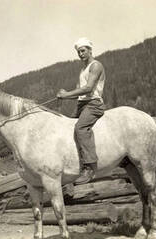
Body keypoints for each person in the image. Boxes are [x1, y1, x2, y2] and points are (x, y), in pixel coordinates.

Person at [56, 37, 106, 185]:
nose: (81, 54)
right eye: (78, 52)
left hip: (94, 104)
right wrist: (65, 95)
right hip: (83, 104)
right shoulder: (83, 69)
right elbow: (80, 92)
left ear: (90, 50)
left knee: (80, 128)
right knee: (67, 127)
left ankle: (90, 168)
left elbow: (88, 88)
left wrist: (65, 94)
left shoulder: (96, 66)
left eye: (83, 51)